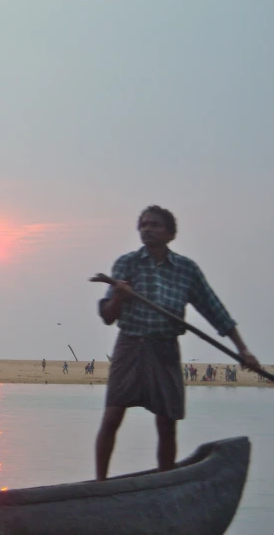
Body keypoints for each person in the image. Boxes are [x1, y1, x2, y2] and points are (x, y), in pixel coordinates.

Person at [95, 205, 260, 481]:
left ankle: (165, 482)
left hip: (165, 348)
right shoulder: (127, 264)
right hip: (131, 345)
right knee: (113, 415)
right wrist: (120, 297)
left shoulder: (186, 269)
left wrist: (243, 350)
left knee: (167, 421)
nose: (147, 229)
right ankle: (100, 484)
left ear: (170, 234)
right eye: (144, 224)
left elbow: (215, 310)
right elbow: (107, 317)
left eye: (155, 225)